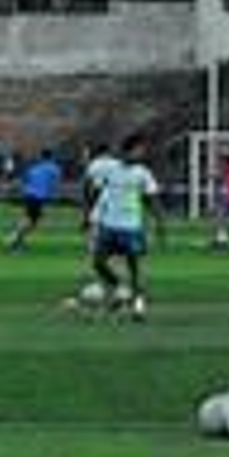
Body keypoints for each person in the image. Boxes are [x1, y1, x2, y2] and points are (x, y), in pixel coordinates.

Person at [82, 135, 164, 320]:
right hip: (109, 225)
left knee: (134, 267)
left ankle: (138, 307)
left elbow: (152, 199)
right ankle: (119, 287)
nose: (141, 153)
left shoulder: (143, 173)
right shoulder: (111, 170)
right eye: (139, 149)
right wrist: (89, 214)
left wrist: (159, 223)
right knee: (98, 262)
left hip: (131, 227)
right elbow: (95, 191)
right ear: (128, 150)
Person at [6, 147, 63, 252]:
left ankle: (18, 240)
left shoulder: (36, 167)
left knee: (33, 221)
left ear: (41, 157)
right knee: (29, 220)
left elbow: (25, 179)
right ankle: (13, 240)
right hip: (38, 197)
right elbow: (55, 183)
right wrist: (53, 195)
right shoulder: (54, 168)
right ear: (52, 157)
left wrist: (16, 186)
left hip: (29, 195)